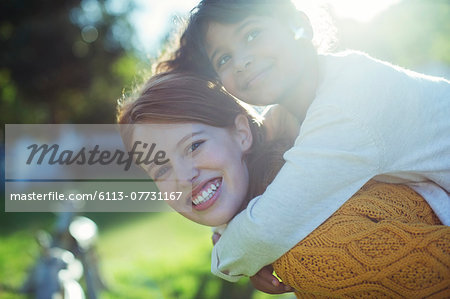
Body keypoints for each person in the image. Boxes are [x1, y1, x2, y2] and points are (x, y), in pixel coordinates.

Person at [156, 0, 450, 284]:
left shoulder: (347, 103)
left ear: (300, 25)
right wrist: (237, 240)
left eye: (252, 34)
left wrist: (227, 255)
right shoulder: (289, 112)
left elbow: (267, 231)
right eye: (223, 58)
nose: (242, 61)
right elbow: (245, 180)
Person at [117, 72, 450, 297]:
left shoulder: (308, 250)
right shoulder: (277, 189)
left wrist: (233, 251)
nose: (183, 176)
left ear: (241, 133)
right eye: (160, 169)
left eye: (194, 145)